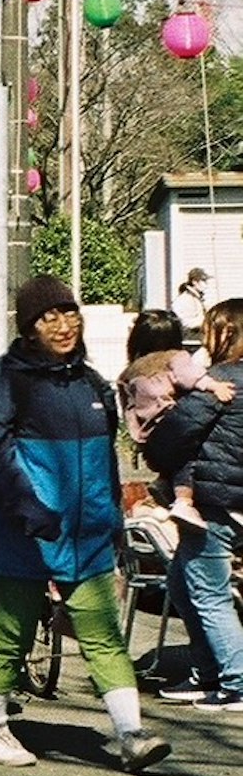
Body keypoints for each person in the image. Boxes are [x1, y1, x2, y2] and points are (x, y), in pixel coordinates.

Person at [0, 274, 171, 772]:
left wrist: (113, 520)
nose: (63, 325)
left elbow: (105, 461)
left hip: (86, 538)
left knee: (103, 631)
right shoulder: (10, 384)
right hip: (22, 534)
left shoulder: (92, 384)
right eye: (48, 317)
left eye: (69, 313)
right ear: (30, 328)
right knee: (12, 630)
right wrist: (28, 508)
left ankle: (131, 734)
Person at [144, 298, 243, 709]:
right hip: (231, 500)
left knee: (208, 594)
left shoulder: (218, 384)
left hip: (213, 503)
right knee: (184, 586)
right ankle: (207, 673)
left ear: (225, 334)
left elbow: (169, 438)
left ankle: (237, 681)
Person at [117, 306, 234, 532]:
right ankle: (183, 501)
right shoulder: (175, 357)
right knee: (189, 457)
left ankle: (164, 486)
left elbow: (128, 406)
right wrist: (213, 385)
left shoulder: (129, 372)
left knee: (173, 462)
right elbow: (190, 377)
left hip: (147, 433)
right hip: (174, 422)